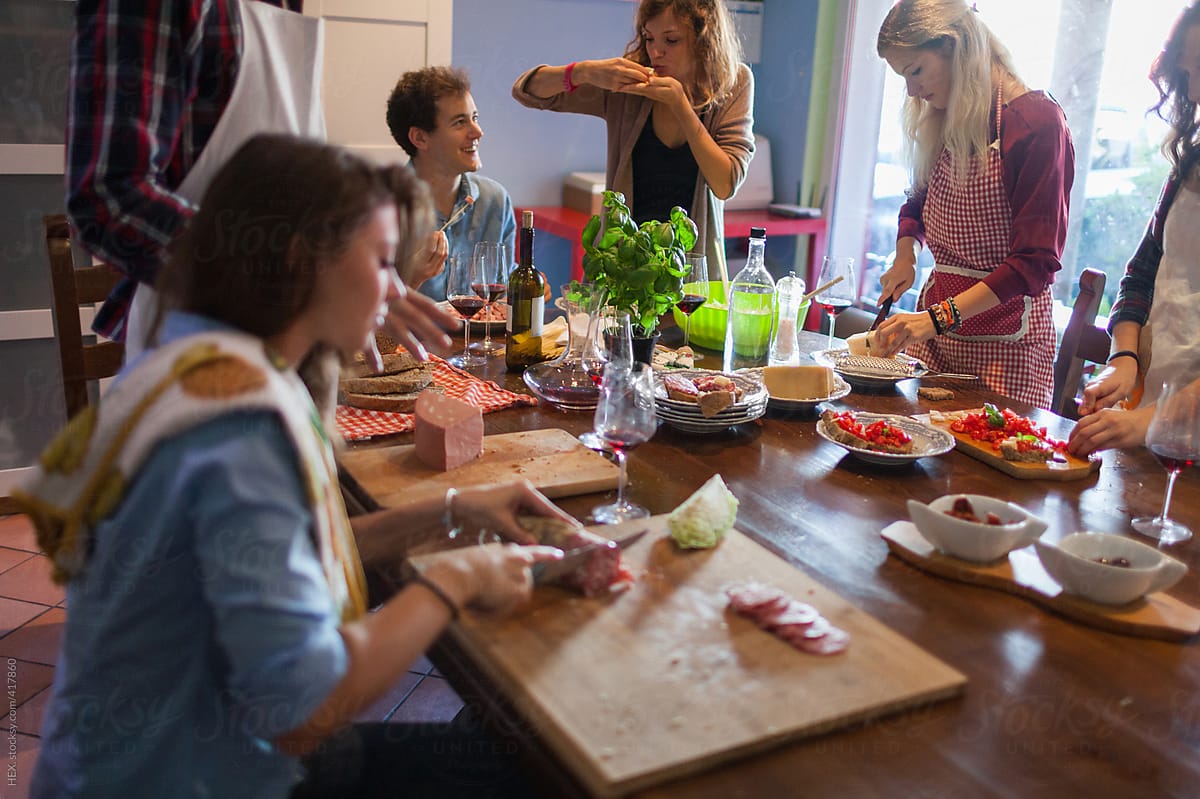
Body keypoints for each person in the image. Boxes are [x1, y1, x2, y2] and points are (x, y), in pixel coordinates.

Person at [20, 135, 571, 798]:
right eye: (379, 259)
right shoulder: (244, 424)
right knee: (528, 763)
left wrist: (450, 515)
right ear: (300, 261)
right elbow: (304, 711)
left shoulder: (201, 359)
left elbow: (280, 554)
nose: (395, 287)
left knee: (500, 741)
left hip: (117, 763)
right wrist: (454, 581)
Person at [871, 0, 1075, 408]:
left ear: (957, 46)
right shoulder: (948, 112)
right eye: (902, 77)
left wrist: (935, 319)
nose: (912, 90)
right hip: (937, 342)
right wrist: (905, 255)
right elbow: (917, 202)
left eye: (916, 70)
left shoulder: (1036, 122)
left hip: (1006, 352)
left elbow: (1033, 263)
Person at [511, 0, 754, 284]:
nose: (656, 52)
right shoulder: (630, 83)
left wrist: (681, 106)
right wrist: (583, 71)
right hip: (621, 269)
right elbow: (527, 91)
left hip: (691, 277)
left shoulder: (734, 82)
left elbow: (725, 183)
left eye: (671, 40)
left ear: (704, 40)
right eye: (649, 38)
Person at [1069, 2, 1200, 457]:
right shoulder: (1190, 166)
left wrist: (1150, 421)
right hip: (1159, 433)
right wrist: (1123, 358)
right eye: (1187, 75)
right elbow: (1141, 274)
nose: (1195, 91)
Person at [387, 66, 517, 301]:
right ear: (420, 138)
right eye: (459, 122)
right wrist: (412, 278)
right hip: (403, 339)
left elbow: (501, 291)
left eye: (474, 118)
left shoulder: (495, 200)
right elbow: (361, 320)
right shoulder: (382, 209)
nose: (478, 132)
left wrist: (522, 288)